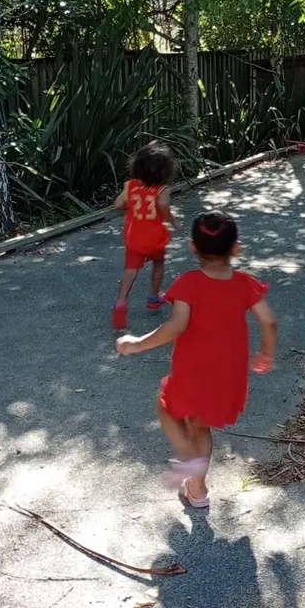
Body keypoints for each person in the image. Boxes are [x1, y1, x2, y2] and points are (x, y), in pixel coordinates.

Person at [116, 211, 277, 509]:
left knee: (164, 404)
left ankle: (188, 459)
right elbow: (268, 320)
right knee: (201, 426)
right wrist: (265, 353)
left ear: (193, 247)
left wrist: (138, 344)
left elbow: (177, 326)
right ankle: (198, 491)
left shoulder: (189, 283)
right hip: (228, 374)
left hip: (194, 370)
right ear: (235, 248)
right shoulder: (245, 283)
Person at [111, 142, 175, 329]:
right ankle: (154, 296)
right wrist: (171, 219)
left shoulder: (130, 186)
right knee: (158, 263)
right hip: (154, 237)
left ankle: (121, 301)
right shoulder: (162, 190)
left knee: (131, 270)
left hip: (134, 237)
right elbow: (163, 206)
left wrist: (128, 205)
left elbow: (118, 204)